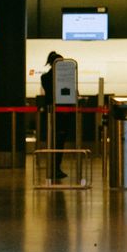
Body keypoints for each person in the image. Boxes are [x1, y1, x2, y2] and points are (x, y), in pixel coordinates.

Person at [40, 51, 72, 179]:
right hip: (57, 113)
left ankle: (56, 167)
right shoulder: (49, 77)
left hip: (58, 113)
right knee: (57, 141)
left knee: (58, 141)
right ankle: (54, 168)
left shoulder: (48, 77)